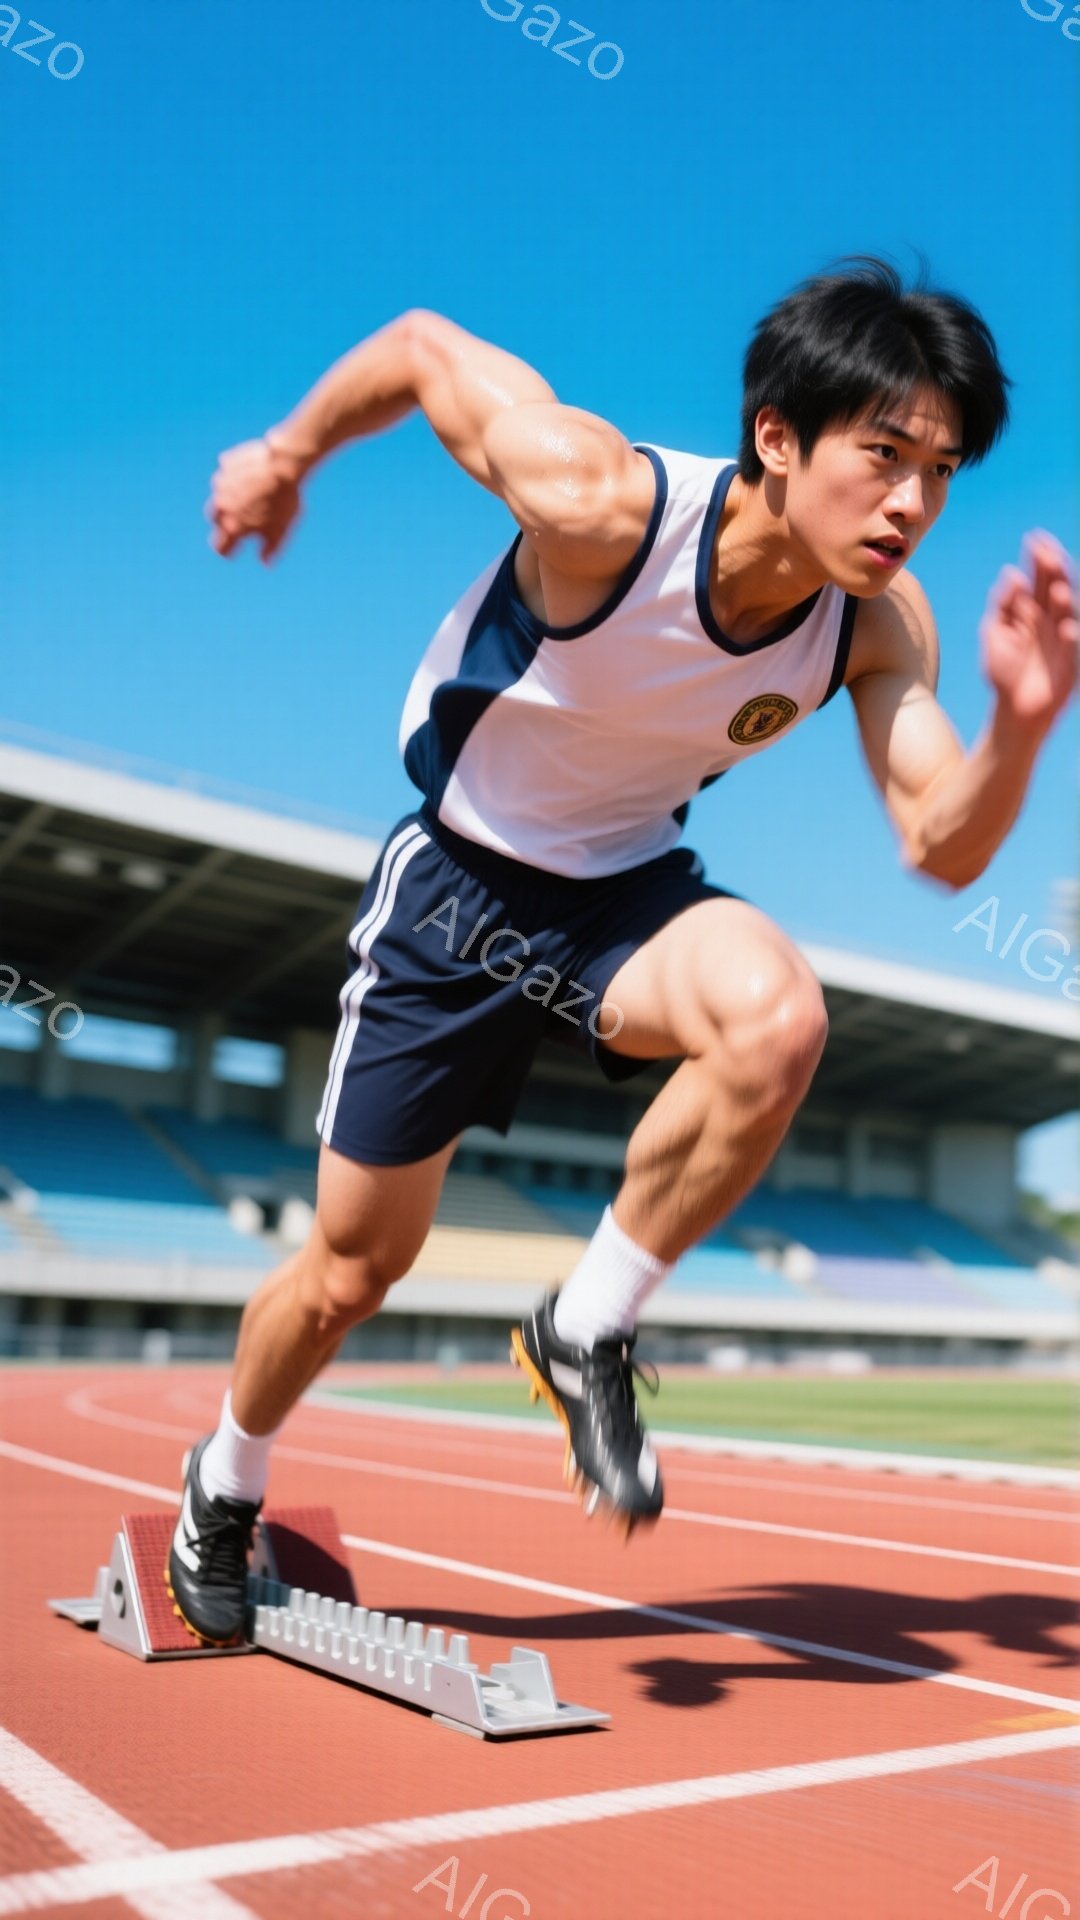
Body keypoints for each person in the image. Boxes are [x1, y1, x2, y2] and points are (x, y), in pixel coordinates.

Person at [167, 257, 1077, 1646]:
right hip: (456, 897)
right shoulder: (601, 504)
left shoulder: (876, 623)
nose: (912, 505)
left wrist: (1022, 725)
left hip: (619, 903)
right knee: (353, 1271)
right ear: (777, 437)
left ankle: (585, 1324)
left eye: (943, 472)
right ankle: (223, 1481)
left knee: (780, 1018)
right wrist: (285, 455)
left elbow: (943, 845)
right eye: (884, 456)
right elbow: (421, 345)